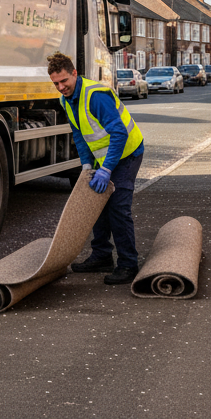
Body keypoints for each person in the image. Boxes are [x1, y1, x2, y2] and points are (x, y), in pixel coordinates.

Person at [47, 51, 146, 285]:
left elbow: (119, 133)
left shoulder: (95, 96)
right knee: (96, 204)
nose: (61, 87)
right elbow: (80, 135)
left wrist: (106, 169)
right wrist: (86, 166)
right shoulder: (66, 100)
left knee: (117, 208)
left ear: (74, 73)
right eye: (56, 83)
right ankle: (102, 256)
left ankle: (128, 264)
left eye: (64, 81)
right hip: (105, 157)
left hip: (128, 153)